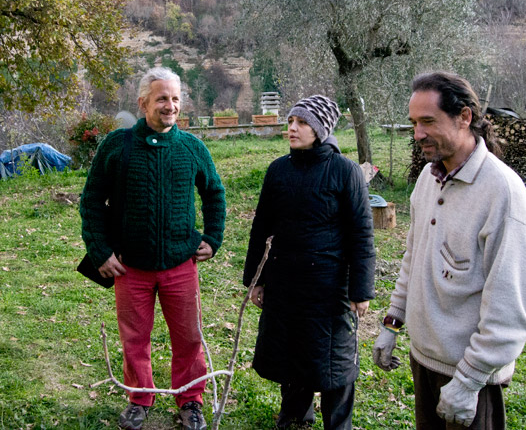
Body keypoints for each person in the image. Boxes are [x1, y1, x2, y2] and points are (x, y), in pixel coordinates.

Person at [372, 72, 526, 429]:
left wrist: (468, 381)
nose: (417, 134)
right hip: (424, 362)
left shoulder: (503, 194)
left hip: (469, 380)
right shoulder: (428, 180)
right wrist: (393, 322)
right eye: (414, 123)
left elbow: (510, 308)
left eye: (428, 121)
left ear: (464, 117)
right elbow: (412, 259)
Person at [79, 67, 226, 430]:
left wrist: (213, 237)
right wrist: (100, 251)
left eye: (175, 99)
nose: (170, 106)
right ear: (143, 102)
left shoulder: (192, 148)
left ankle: (190, 399)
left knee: (189, 336)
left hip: (180, 264)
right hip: (131, 267)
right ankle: (138, 398)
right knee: (134, 337)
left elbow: (214, 194)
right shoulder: (116, 145)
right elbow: (92, 200)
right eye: (162, 98)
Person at [243, 95, 375, 430]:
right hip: (287, 284)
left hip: (330, 288)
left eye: (301, 123)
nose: (292, 128)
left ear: (320, 128)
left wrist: (361, 290)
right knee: (292, 352)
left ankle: (337, 423)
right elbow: (262, 228)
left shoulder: (345, 172)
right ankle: (295, 416)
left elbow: (361, 234)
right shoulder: (278, 171)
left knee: (335, 362)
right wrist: (257, 280)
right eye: (290, 121)